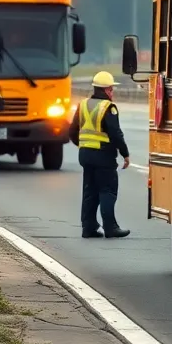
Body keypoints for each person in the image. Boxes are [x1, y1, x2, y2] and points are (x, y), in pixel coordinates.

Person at [69, 70, 131, 239]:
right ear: (107, 90)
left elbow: (72, 130)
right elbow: (115, 133)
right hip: (103, 156)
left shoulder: (83, 104)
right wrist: (125, 154)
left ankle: (88, 228)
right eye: (112, 89)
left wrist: (83, 146)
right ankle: (111, 228)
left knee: (90, 192)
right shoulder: (108, 108)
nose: (113, 92)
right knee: (107, 190)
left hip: (85, 155)